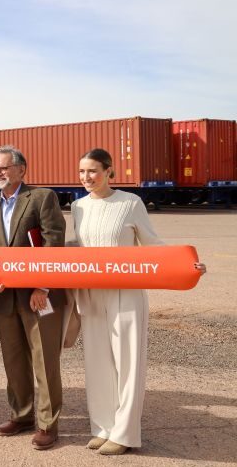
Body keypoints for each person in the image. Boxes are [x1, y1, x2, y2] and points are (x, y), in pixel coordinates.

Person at [73, 148, 206, 455]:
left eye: (93, 171)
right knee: (98, 364)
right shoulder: (78, 206)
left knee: (128, 363)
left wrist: (186, 265)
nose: (86, 177)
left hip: (126, 294)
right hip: (91, 294)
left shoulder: (130, 203)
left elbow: (153, 245)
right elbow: (75, 248)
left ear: (109, 171)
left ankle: (124, 433)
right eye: (82, 172)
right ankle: (103, 427)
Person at [0, 146, 66, 450]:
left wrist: (42, 286)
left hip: (39, 296)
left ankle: (47, 423)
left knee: (45, 361)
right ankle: (22, 414)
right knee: (13, 358)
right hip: (5, 298)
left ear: (21, 170)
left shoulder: (42, 198)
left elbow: (54, 241)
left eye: (4, 168)